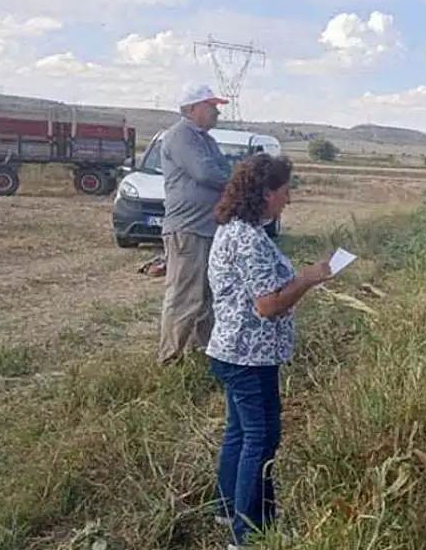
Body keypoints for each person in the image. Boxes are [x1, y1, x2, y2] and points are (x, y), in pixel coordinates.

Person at [205, 153, 333, 549]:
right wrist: (308, 279)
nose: (288, 200)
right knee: (260, 440)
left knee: (240, 433)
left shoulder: (238, 230)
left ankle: (227, 508)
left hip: (232, 350)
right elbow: (268, 305)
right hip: (248, 356)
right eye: (284, 191)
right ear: (265, 193)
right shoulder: (248, 240)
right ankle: (248, 534)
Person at [158, 83, 234, 365]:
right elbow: (206, 173)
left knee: (206, 298)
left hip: (207, 228)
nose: (217, 112)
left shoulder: (206, 139)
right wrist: (236, 183)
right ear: (192, 109)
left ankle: (204, 354)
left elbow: (222, 171)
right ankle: (170, 360)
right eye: (211, 106)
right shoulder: (180, 136)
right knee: (184, 298)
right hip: (188, 229)